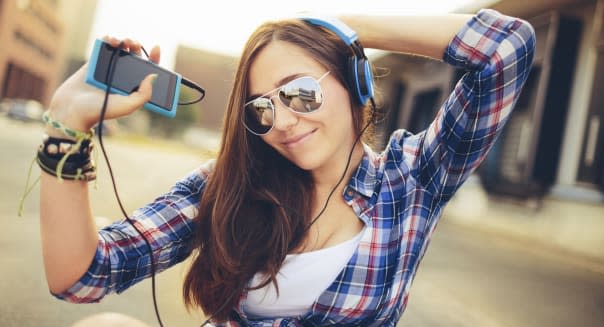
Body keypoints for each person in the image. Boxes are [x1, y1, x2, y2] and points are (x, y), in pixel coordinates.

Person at [39, 8, 535, 327]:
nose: (283, 121)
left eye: (301, 92)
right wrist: (67, 122)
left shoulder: (414, 179)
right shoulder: (231, 184)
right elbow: (82, 276)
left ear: (354, 81)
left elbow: (505, 47)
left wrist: (344, 25)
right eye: (261, 108)